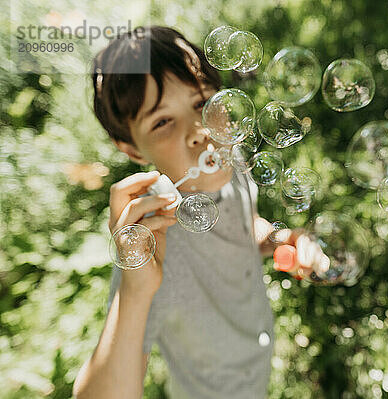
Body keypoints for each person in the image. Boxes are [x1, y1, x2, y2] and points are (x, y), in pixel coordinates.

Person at [72, 26, 323, 399]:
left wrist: (279, 239)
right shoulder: (153, 249)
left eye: (202, 103)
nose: (198, 131)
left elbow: (242, 225)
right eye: (162, 122)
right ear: (132, 150)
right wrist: (136, 291)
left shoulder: (230, 162)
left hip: (256, 361)